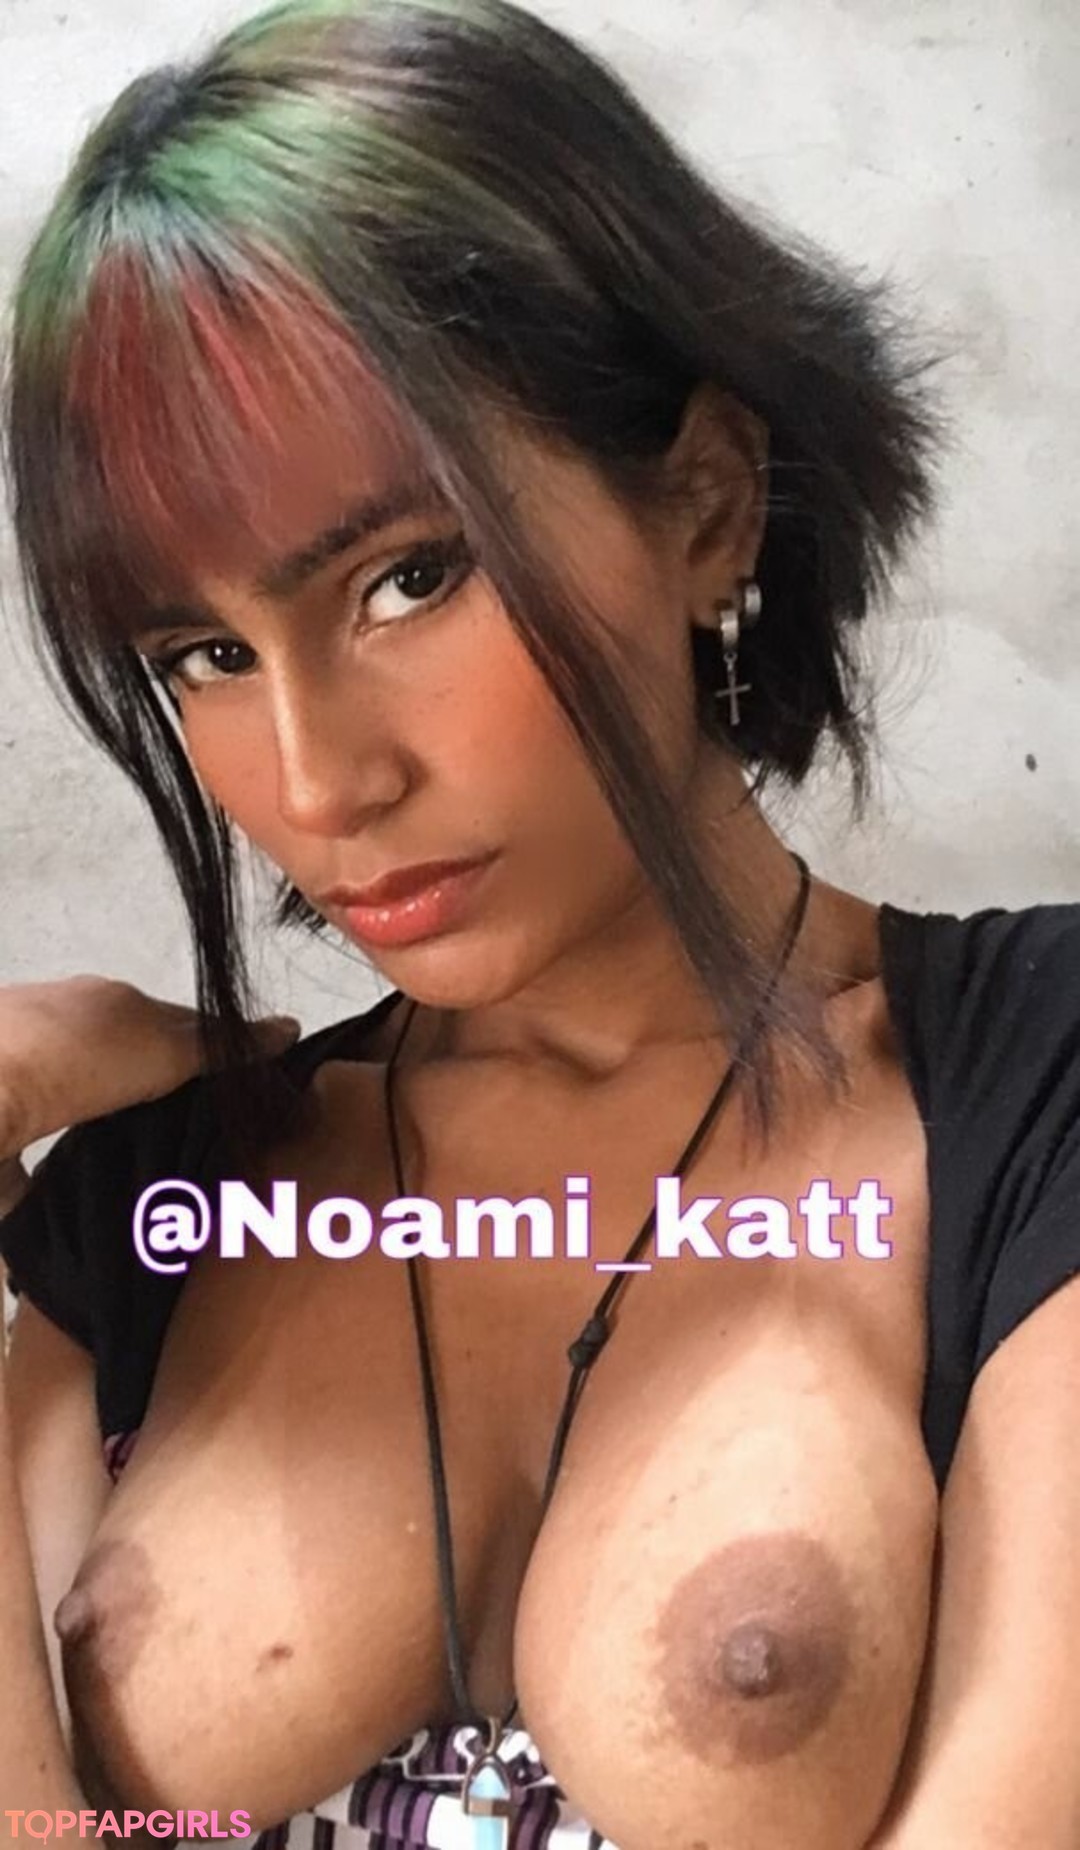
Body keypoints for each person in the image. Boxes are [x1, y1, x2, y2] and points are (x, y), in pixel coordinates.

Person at [1, 0, 1079, 1845]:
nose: (319, 778)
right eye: (203, 654)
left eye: (409, 577)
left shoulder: (1030, 1086)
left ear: (707, 507)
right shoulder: (154, 1185)